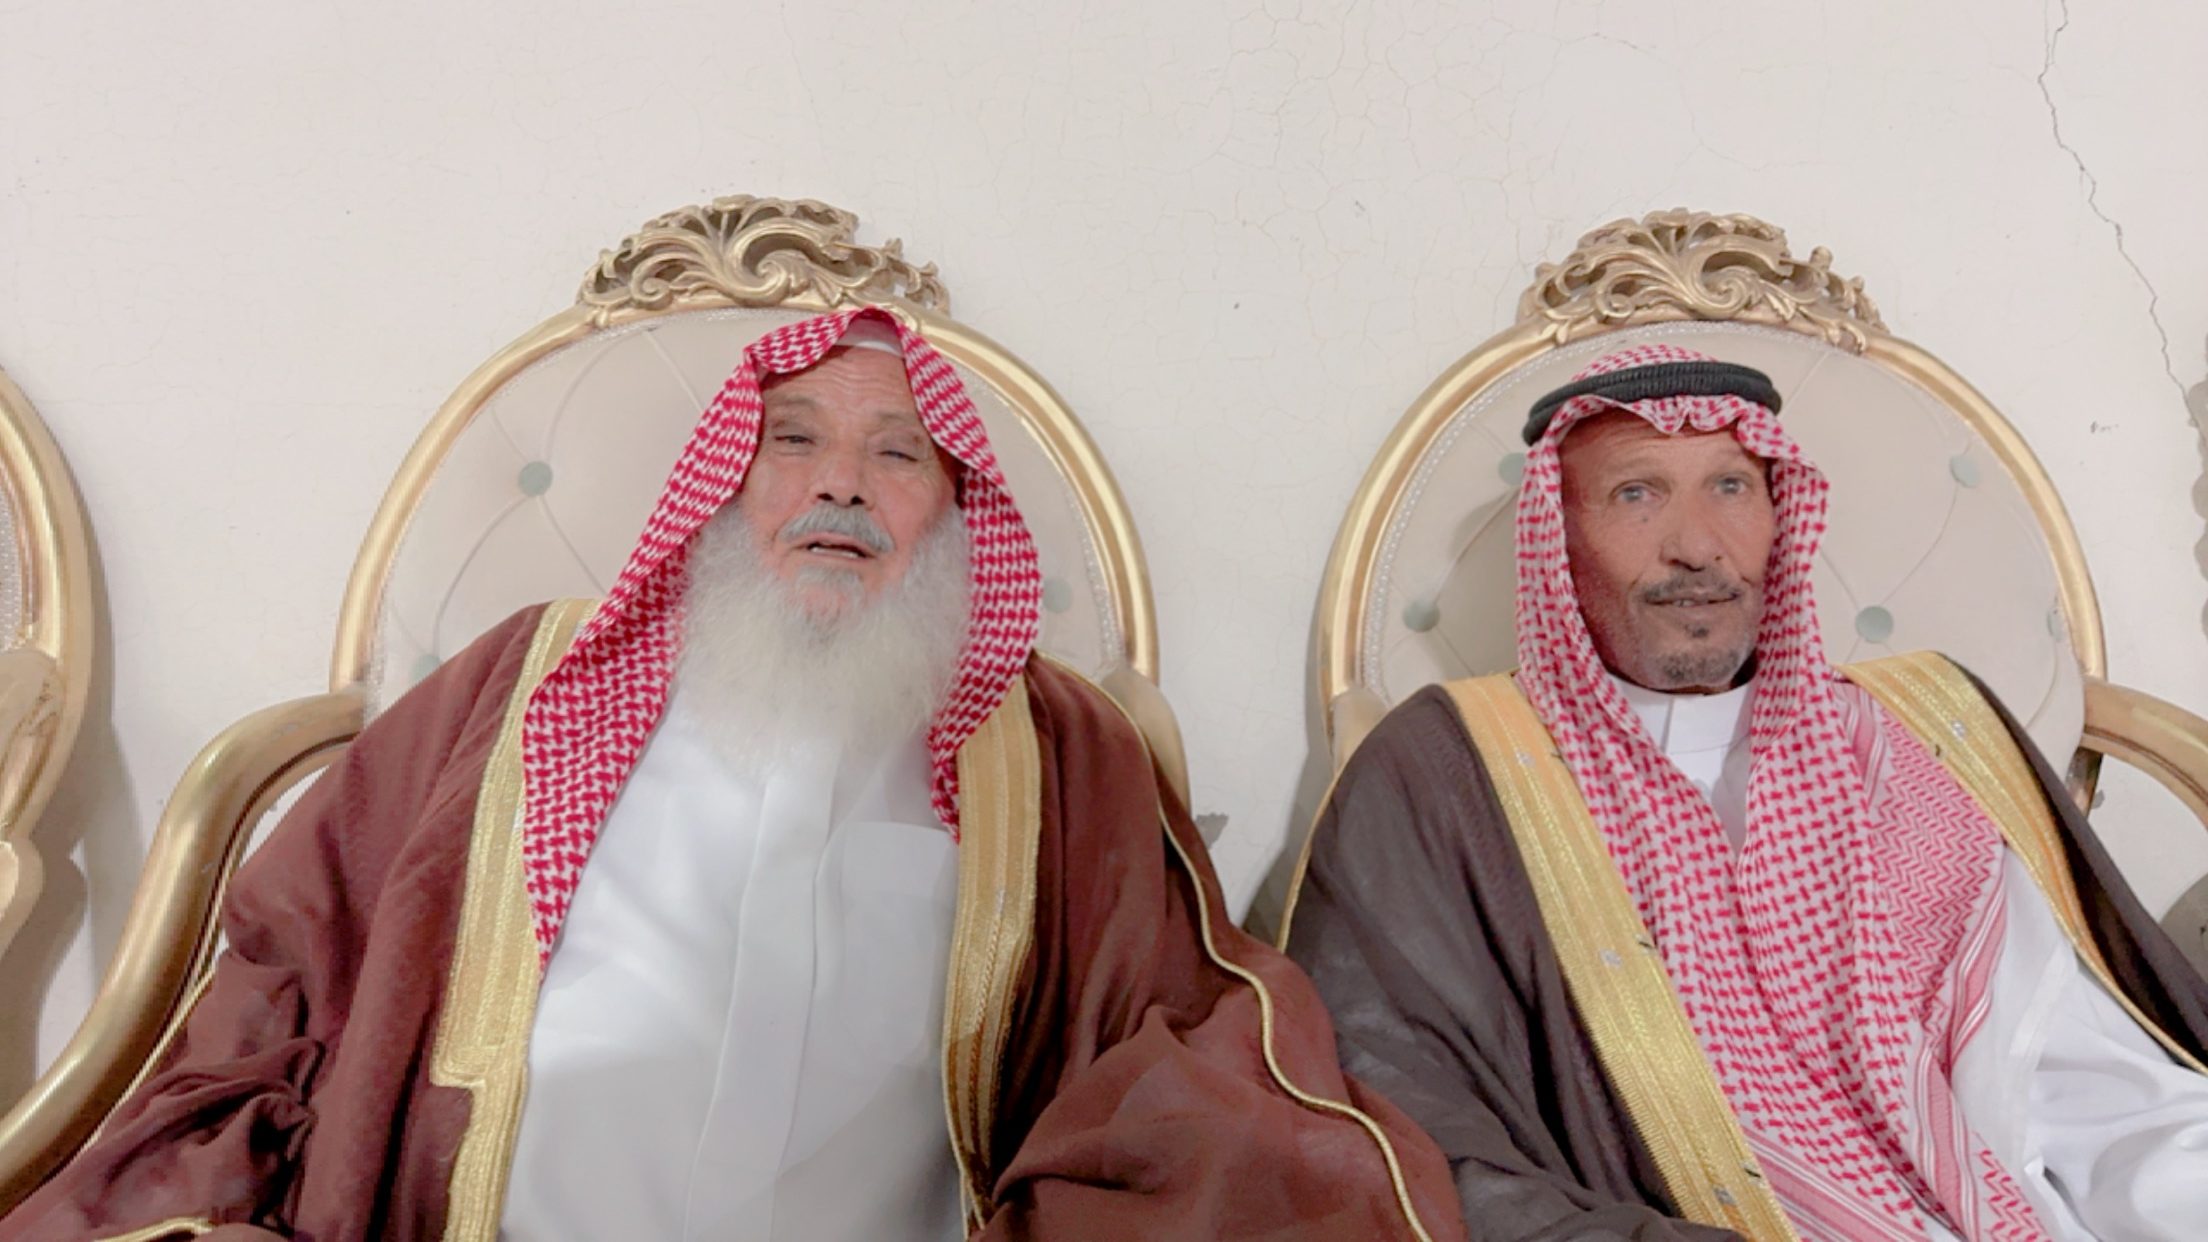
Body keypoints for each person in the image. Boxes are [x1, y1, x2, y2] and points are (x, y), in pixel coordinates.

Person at [4, 308, 1460, 1242]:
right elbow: (296, 955)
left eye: (898, 457)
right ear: (724, 483)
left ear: (953, 512)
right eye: (794, 443)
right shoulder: (528, 682)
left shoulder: (1048, 748)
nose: (841, 484)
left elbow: (1169, 1026)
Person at [1283, 343, 2208, 1241]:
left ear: (1780, 513)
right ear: (1557, 538)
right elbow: (1399, 1118)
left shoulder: (1915, 736)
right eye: (1637, 494)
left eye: (1730, 487)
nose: (1697, 547)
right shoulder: (1451, 771)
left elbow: (2087, 1087)